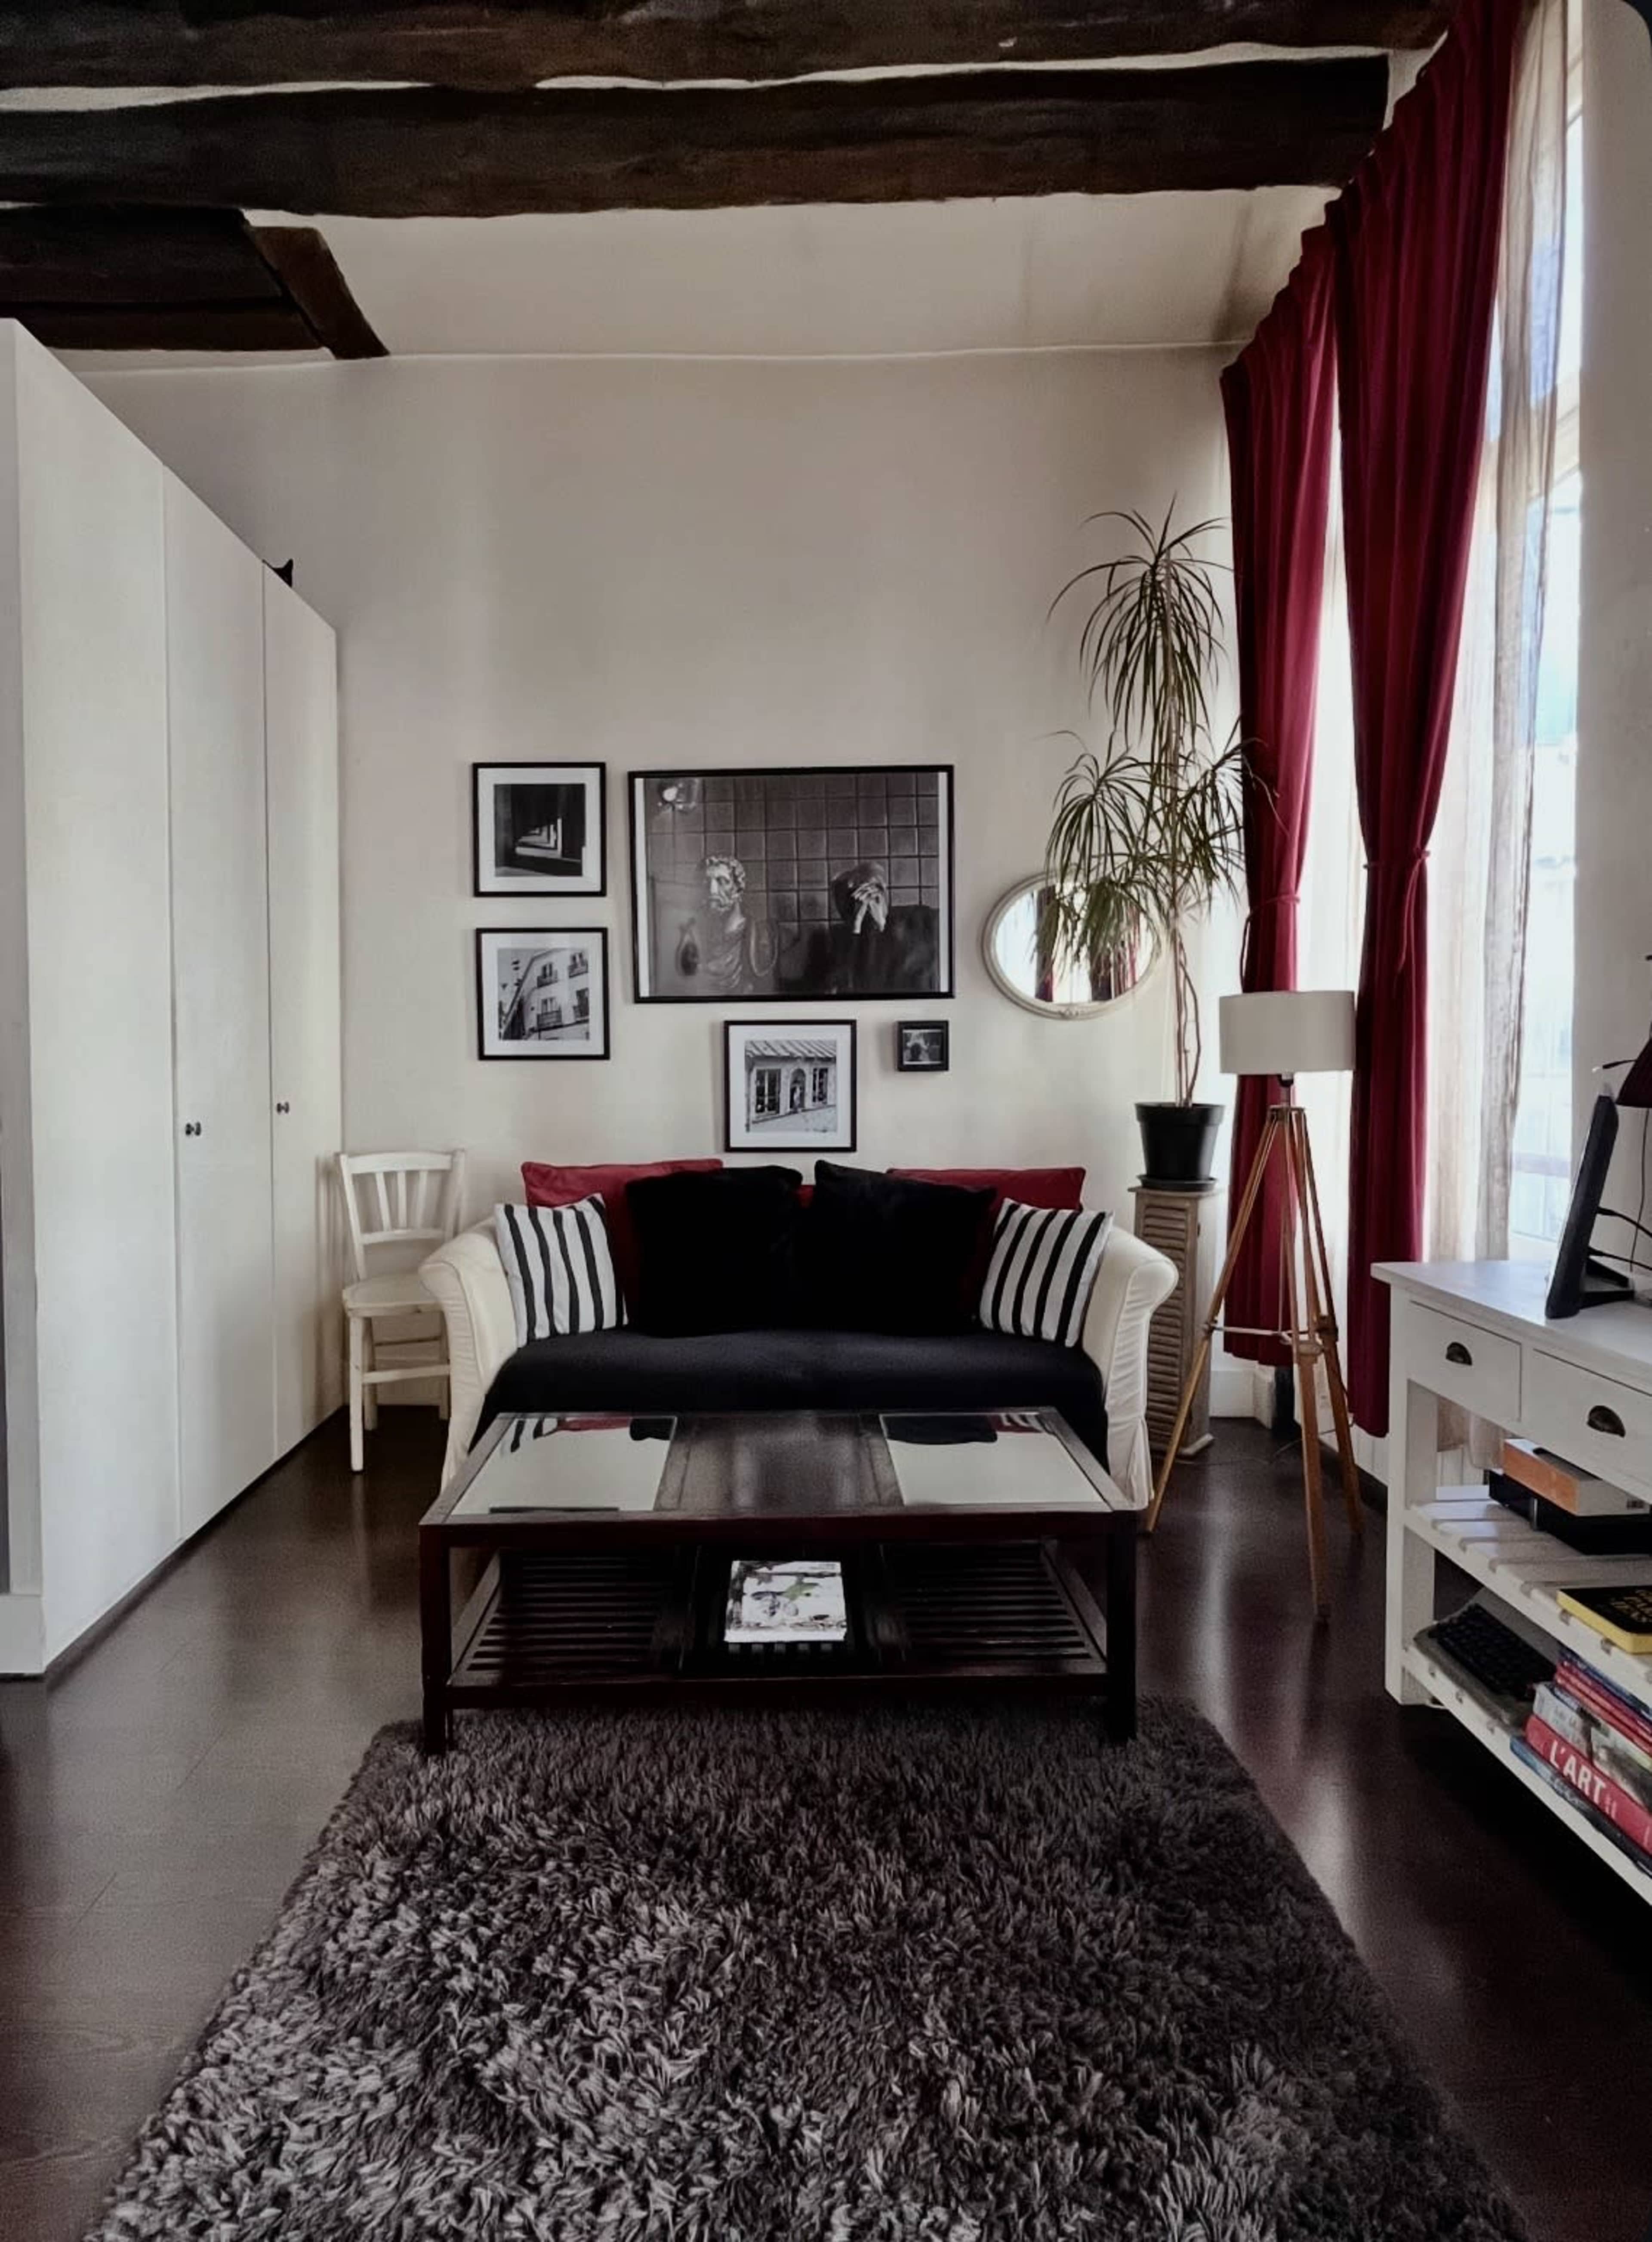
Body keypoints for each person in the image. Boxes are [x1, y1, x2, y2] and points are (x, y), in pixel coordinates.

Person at [798, 860, 938, 994]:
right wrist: (857, 927)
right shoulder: (836, 938)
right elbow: (836, 988)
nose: (865, 902)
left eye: (870, 892)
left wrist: (881, 924)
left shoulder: (919, 922)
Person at [673, 855, 777, 996]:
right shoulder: (692, 934)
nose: (712, 891)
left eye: (722, 882)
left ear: (738, 890)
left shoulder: (760, 936)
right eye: (706, 882)